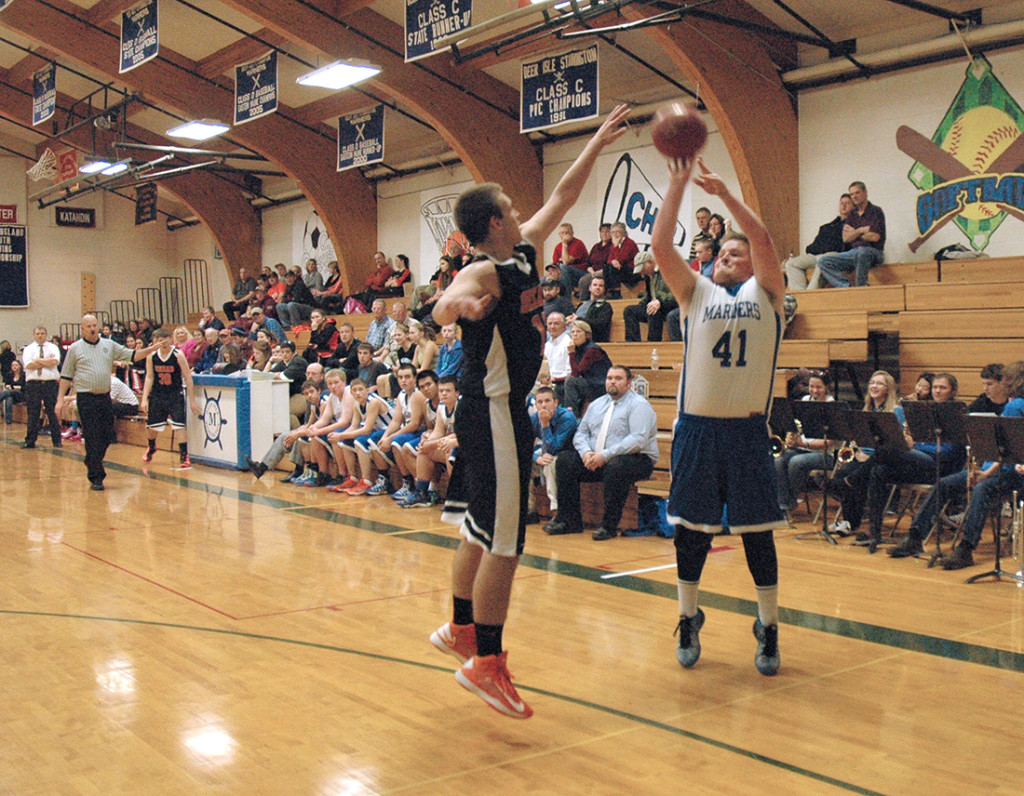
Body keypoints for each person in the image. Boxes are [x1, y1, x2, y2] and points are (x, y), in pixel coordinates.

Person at [428, 104, 630, 720]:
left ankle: (463, 627)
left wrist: (597, 140)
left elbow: (565, 194)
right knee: (508, 543)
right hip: (493, 412)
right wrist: (459, 310)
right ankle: (486, 662)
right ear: (494, 221)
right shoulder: (485, 270)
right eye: (512, 207)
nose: (523, 211)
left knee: (477, 524)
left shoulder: (524, 253)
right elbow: (446, 300)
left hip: (488, 411)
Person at [651, 155, 787, 677]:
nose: (727, 256)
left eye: (737, 251)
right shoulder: (695, 293)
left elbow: (766, 239)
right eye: (721, 251)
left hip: (749, 432)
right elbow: (662, 247)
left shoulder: (767, 294)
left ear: (754, 262)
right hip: (698, 431)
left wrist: (729, 196)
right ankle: (688, 617)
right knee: (693, 532)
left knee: (758, 534)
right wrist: (679, 179)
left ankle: (768, 626)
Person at [890, 362, 1024, 569]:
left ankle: (966, 548)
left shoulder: (1016, 406)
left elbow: (1004, 450)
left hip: (1009, 472)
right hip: (997, 468)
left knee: (982, 488)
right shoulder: (1007, 404)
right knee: (944, 483)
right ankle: (915, 536)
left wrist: (985, 473)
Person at [547, 365, 657, 539]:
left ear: (629, 383)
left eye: (618, 378)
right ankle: (570, 521)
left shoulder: (639, 405)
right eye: (609, 378)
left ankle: (609, 526)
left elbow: (638, 440)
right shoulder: (597, 405)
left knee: (616, 466)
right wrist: (586, 453)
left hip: (637, 459)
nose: (612, 381)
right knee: (565, 460)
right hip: (598, 457)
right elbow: (581, 433)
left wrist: (604, 455)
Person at [861, 373, 965, 552]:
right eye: (935, 387)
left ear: (953, 391)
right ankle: (875, 532)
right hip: (919, 463)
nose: (937, 391)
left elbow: (949, 452)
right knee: (879, 470)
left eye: (943, 388)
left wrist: (914, 445)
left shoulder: (957, 414)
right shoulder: (926, 410)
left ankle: (852, 480)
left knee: (887, 449)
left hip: (940, 467)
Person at [57, 315, 159, 490]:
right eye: (88, 326)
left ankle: (91, 459)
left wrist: (152, 349)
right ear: (82, 329)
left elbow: (133, 355)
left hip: (104, 397)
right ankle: (97, 477)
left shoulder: (108, 345)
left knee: (106, 434)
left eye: (95, 325)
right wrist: (60, 400)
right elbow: (66, 376)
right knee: (91, 435)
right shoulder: (75, 348)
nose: (92, 328)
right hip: (85, 398)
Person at [775, 371, 834, 515]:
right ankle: (783, 504)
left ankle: (790, 500)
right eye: (811, 386)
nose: (814, 391)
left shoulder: (833, 406)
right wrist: (791, 437)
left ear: (827, 387)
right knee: (778, 460)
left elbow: (830, 442)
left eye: (818, 387)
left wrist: (803, 444)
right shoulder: (805, 400)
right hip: (802, 448)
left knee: (796, 462)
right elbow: (796, 426)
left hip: (825, 454)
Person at [140, 328, 201, 469]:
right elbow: (149, 377)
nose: (164, 343)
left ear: (170, 340)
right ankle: (151, 447)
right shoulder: (151, 356)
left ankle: (184, 455)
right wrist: (144, 399)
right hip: (157, 394)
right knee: (152, 427)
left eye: (166, 340)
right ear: (155, 341)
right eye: (160, 341)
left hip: (175, 394)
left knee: (179, 426)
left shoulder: (178, 355)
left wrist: (192, 400)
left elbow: (188, 377)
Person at [399, 374, 460, 508]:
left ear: (457, 393)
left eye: (448, 391)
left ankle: (457, 498)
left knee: (450, 451)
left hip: (466, 446)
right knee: (424, 449)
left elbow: (464, 434)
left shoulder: (463, 406)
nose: (443, 394)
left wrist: (436, 441)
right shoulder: (441, 407)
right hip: (449, 443)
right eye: (441, 391)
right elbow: (438, 430)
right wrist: (428, 441)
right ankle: (422, 493)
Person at [816, 181, 886, 288]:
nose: (854, 196)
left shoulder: (876, 211)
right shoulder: (852, 214)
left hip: (874, 252)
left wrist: (854, 232)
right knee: (824, 261)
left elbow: (875, 237)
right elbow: (845, 238)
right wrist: (861, 230)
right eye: (852, 194)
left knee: (862, 252)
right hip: (853, 252)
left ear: (865, 192)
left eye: (857, 193)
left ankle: (860, 288)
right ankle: (846, 287)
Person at [784, 193, 853, 290]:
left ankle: (810, 296)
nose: (844, 206)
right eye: (842, 203)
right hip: (817, 255)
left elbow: (843, 247)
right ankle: (800, 296)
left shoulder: (853, 226)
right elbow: (811, 248)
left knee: (823, 260)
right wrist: (821, 248)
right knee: (791, 264)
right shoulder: (827, 227)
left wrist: (824, 247)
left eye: (847, 203)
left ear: (853, 207)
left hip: (834, 256)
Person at [529, 386, 577, 520]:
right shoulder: (533, 418)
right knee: (521, 463)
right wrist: (535, 458)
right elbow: (521, 446)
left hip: (568, 456)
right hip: (545, 454)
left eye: (547, 401)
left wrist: (545, 424)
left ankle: (557, 512)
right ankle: (528, 511)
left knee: (551, 463)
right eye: (540, 402)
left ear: (555, 403)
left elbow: (554, 448)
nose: (543, 405)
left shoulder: (567, 417)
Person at [21, 326, 63, 450]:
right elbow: (29, 365)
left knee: (52, 412)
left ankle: (57, 440)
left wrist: (38, 360)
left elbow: (54, 362)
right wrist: (46, 361)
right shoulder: (28, 349)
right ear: (34, 335)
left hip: (50, 384)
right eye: (38, 333)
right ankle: (30, 441)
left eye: (42, 333)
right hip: (33, 384)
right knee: (33, 413)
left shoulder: (53, 347)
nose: (40, 335)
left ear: (46, 334)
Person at [624, 250, 678, 343]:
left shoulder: (667, 270)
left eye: (643, 269)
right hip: (655, 305)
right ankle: (633, 343)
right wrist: (642, 304)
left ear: (650, 261)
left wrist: (660, 301)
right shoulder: (649, 276)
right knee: (629, 310)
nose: (642, 273)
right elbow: (649, 295)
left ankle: (653, 343)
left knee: (653, 311)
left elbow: (675, 293)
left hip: (668, 306)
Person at [563, 320, 611, 418]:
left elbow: (576, 373)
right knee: (559, 388)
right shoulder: (580, 348)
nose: (575, 335)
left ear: (587, 335)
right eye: (573, 332)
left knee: (570, 381)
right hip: (591, 383)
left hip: (600, 386)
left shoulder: (592, 350)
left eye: (579, 332)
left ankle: (571, 417)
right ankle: (564, 415)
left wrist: (571, 353)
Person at [568, 274, 613, 343]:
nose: (597, 287)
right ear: (590, 288)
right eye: (595, 285)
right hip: (574, 333)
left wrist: (578, 319)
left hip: (592, 340)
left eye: (601, 286)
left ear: (604, 289)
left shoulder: (605, 306)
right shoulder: (581, 305)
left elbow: (599, 325)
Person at [603, 221, 640, 297]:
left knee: (613, 269)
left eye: (618, 232)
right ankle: (610, 291)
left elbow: (622, 259)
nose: (615, 234)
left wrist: (615, 247)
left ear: (623, 232)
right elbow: (609, 259)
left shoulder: (629, 243)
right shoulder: (614, 243)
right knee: (606, 267)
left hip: (632, 271)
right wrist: (613, 261)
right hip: (620, 269)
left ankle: (617, 293)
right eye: (613, 232)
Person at [552, 222, 589, 295]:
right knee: (544, 279)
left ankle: (566, 298)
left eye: (567, 233)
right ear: (559, 235)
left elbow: (566, 262)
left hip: (581, 273)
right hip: (564, 273)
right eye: (562, 233)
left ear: (572, 233)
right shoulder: (558, 247)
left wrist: (564, 245)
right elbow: (555, 265)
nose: (564, 235)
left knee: (564, 268)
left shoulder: (578, 243)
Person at [1, 358, 25, 424]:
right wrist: (7, 386)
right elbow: (7, 384)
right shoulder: (10, 375)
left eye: (16, 365)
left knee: (10, 392)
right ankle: (8, 420)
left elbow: (25, 387)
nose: (14, 367)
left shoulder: (23, 375)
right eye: (13, 365)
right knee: (9, 398)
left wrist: (19, 387)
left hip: (21, 395)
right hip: (12, 395)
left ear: (20, 366)